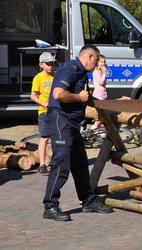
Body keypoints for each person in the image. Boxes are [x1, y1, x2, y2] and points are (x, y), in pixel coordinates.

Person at [43, 44, 113, 221]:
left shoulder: (80, 72)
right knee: (61, 163)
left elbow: (85, 97)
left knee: (80, 164)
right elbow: (59, 94)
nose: (97, 64)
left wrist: (112, 105)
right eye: (96, 60)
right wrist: (79, 98)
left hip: (72, 123)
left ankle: (88, 201)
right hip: (61, 119)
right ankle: (50, 206)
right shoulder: (71, 68)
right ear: (89, 57)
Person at [31, 52, 56, 176]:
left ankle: (56, 162)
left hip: (56, 111)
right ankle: (42, 164)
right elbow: (33, 96)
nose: (51, 66)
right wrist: (44, 104)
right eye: (48, 63)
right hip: (44, 112)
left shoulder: (56, 76)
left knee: (56, 137)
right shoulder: (38, 77)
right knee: (44, 137)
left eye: (52, 63)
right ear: (41, 65)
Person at [90, 54, 107, 130]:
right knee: (100, 115)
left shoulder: (100, 71)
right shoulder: (96, 71)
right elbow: (101, 82)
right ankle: (93, 128)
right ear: (97, 63)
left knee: (102, 115)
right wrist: (104, 73)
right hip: (98, 95)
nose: (103, 64)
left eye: (104, 62)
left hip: (102, 94)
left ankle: (97, 129)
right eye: (101, 62)